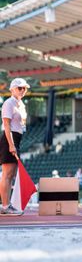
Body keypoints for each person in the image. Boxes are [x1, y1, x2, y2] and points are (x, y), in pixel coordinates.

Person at [0, 78, 29, 215]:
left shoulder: (21, 104)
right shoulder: (9, 103)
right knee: (7, 174)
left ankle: (7, 204)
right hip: (9, 139)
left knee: (11, 174)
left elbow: (21, 125)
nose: (22, 90)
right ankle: (5, 206)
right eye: (19, 88)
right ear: (12, 89)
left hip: (17, 138)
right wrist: (11, 145)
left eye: (24, 88)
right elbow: (6, 125)